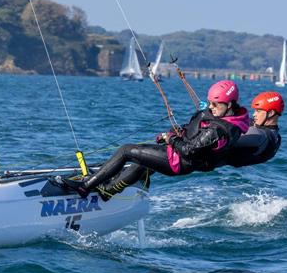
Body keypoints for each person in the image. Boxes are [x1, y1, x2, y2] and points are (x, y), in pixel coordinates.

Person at [68, 80, 250, 199]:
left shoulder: (220, 130)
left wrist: (170, 138)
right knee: (142, 161)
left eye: (215, 104)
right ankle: (109, 190)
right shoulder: (227, 117)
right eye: (210, 103)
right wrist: (179, 133)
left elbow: (188, 150)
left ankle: (85, 187)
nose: (211, 107)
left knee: (126, 151)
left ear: (230, 104)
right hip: (178, 156)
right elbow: (197, 132)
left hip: (178, 162)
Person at [89, 90, 284, 199]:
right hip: (210, 161)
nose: (255, 114)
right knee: (148, 160)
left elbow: (227, 137)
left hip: (203, 160)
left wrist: (199, 130)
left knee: (134, 152)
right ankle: (121, 183)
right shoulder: (271, 134)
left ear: (271, 114)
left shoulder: (259, 136)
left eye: (259, 111)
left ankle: (101, 188)